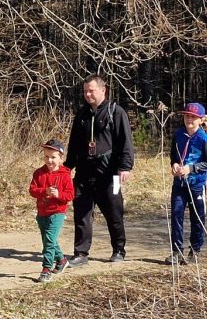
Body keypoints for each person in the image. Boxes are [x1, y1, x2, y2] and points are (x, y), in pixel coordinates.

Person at [64, 75, 135, 265]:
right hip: (84, 173)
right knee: (82, 213)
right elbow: (74, 143)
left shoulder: (116, 112)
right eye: (85, 91)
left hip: (110, 174)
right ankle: (81, 254)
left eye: (91, 90)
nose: (87, 94)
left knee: (114, 212)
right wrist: (67, 167)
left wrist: (125, 167)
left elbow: (126, 142)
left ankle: (119, 250)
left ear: (103, 90)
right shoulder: (81, 115)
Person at [168, 102, 207, 264]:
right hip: (179, 184)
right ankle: (177, 251)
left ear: (201, 120)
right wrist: (174, 164)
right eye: (187, 116)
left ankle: (195, 250)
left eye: (193, 117)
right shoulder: (178, 135)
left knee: (197, 217)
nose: (189, 119)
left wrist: (192, 168)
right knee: (176, 215)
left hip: (197, 185)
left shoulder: (204, 139)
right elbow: (174, 156)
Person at [28, 138, 75, 283]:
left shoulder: (65, 175)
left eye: (53, 157)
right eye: (46, 157)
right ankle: (61, 261)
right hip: (42, 212)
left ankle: (46, 270)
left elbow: (70, 195)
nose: (49, 160)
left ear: (61, 158)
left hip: (57, 212)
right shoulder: (39, 173)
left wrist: (58, 195)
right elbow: (32, 190)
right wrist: (45, 191)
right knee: (49, 240)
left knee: (49, 240)